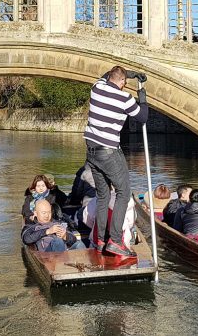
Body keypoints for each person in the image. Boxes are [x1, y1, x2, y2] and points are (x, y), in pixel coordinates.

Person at [83, 65, 148, 257]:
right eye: (124, 82)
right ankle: (116, 241)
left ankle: (101, 239)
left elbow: (106, 75)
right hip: (109, 151)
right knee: (124, 192)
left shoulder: (97, 87)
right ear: (121, 82)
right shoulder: (124, 98)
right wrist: (142, 98)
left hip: (91, 151)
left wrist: (128, 73)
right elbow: (143, 117)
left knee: (103, 195)